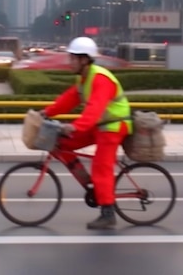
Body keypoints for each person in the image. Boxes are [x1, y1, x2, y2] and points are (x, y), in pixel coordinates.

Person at [41, 36, 132, 230]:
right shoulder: (84, 78)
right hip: (100, 124)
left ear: (84, 59)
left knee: (101, 166)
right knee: (63, 143)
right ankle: (92, 185)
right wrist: (46, 112)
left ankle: (108, 213)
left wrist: (75, 126)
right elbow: (70, 99)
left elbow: (94, 109)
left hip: (114, 126)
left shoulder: (100, 78)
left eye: (73, 58)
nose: (69, 61)